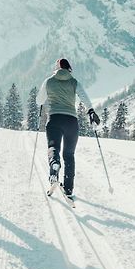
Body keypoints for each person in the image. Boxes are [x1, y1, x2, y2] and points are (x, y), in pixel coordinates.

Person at [36, 58, 100, 198]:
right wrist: (91, 111)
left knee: (53, 147)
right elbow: (84, 97)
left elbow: (39, 101)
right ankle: (69, 189)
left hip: (54, 119)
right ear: (68, 68)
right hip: (71, 121)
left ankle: (54, 165)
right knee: (69, 155)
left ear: (56, 68)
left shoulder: (49, 81)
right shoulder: (74, 82)